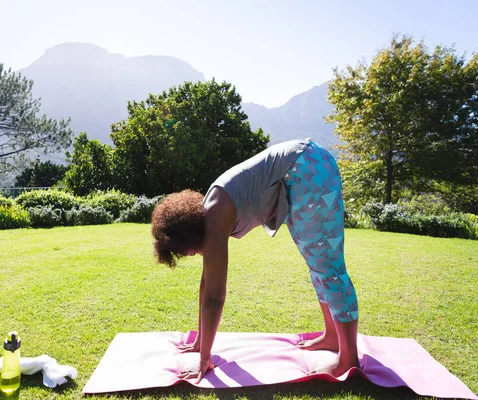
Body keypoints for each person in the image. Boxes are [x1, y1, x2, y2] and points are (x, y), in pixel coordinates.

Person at [150, 139, 359, 383]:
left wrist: (205, 358)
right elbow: (206, 284)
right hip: (303, 166)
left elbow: (215, 297)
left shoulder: (216, 216)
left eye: (185, 251)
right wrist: (199, 341)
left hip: (307, 167)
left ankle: (348, 359)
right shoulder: (210, 214)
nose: (191, 255)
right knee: (318, 262)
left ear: (186, 238)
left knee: (328, 266)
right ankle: (333, 336)